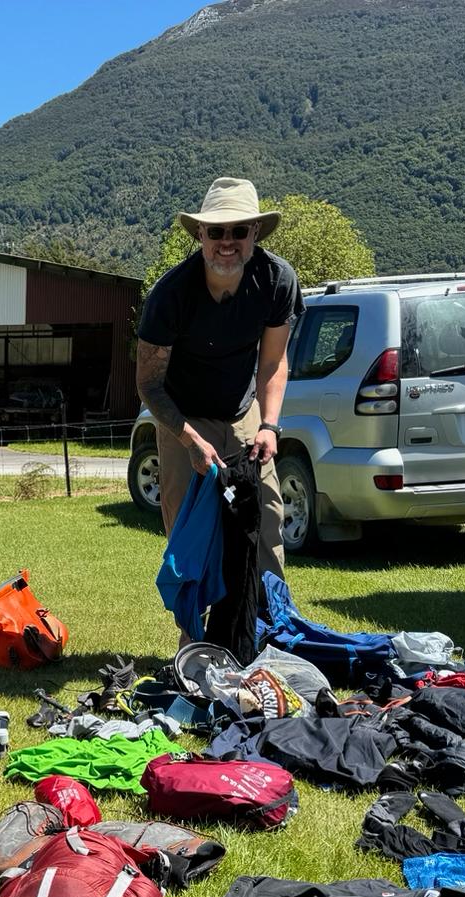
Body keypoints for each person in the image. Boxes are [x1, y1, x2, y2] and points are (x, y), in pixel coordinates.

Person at [136, 176, 302, 602]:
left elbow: (273, 362)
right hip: (182, 418)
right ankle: (194, 641)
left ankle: (272, 630)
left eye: (239, 230)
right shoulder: (170, 294)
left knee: (265, 518)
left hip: (244, 412)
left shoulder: (277, 280)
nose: (227, 241)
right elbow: (149, 385)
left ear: (255, 234)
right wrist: (189, 438)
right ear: (200, 235)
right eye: (216, 231)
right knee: (189, 532)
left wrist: (269, 425)